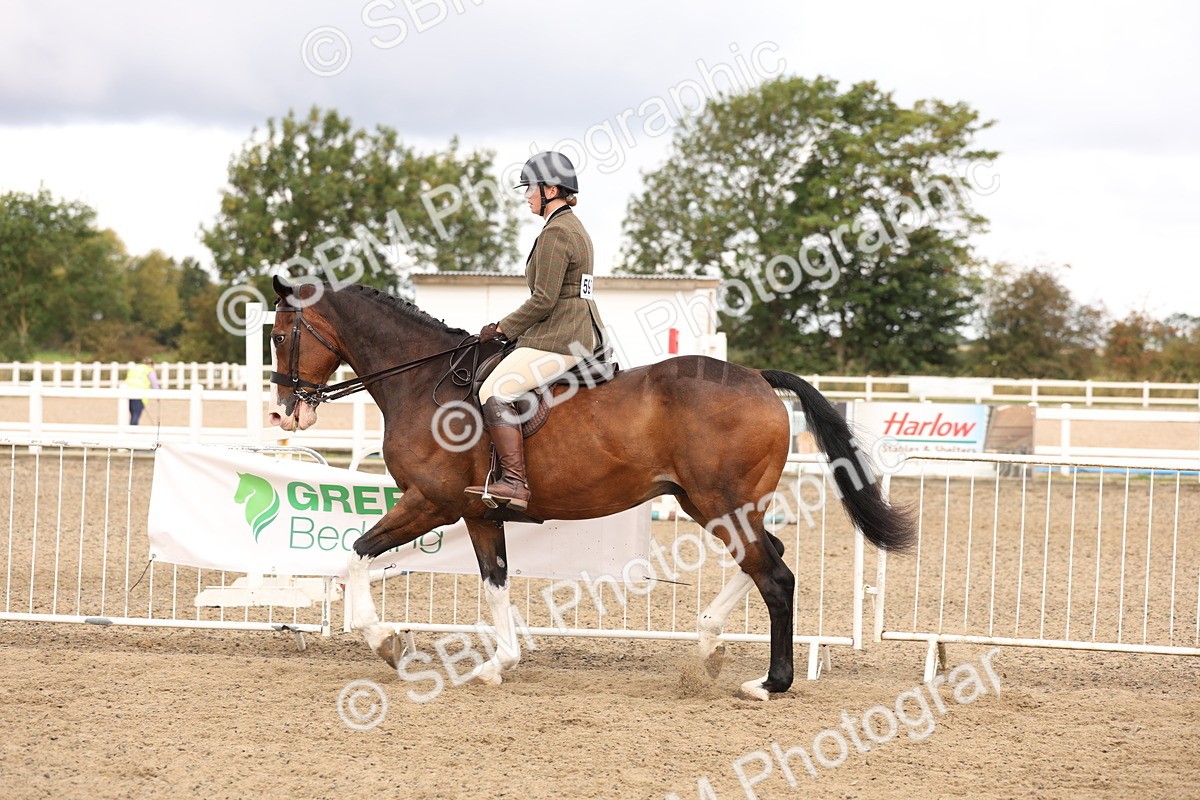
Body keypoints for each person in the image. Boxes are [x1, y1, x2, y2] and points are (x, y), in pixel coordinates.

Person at [464, 151, 605, 510]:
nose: (526, 195)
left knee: (495, 390)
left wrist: (502, 329)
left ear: (552, 189)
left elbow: (544, 299)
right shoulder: (575, 227)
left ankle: (514, 482)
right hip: (577, 329)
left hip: (560, 337)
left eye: (531, 188)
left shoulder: (557, 232)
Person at [125, 358, 159, 426]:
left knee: (133, 413)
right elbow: (154, 383)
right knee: (136, 414)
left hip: (128, 392)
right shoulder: (149, 370)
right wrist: (158, 395)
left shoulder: (135, 368)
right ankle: (133, 430)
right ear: (151, 364)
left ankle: (132, 428)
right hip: (140, 394)